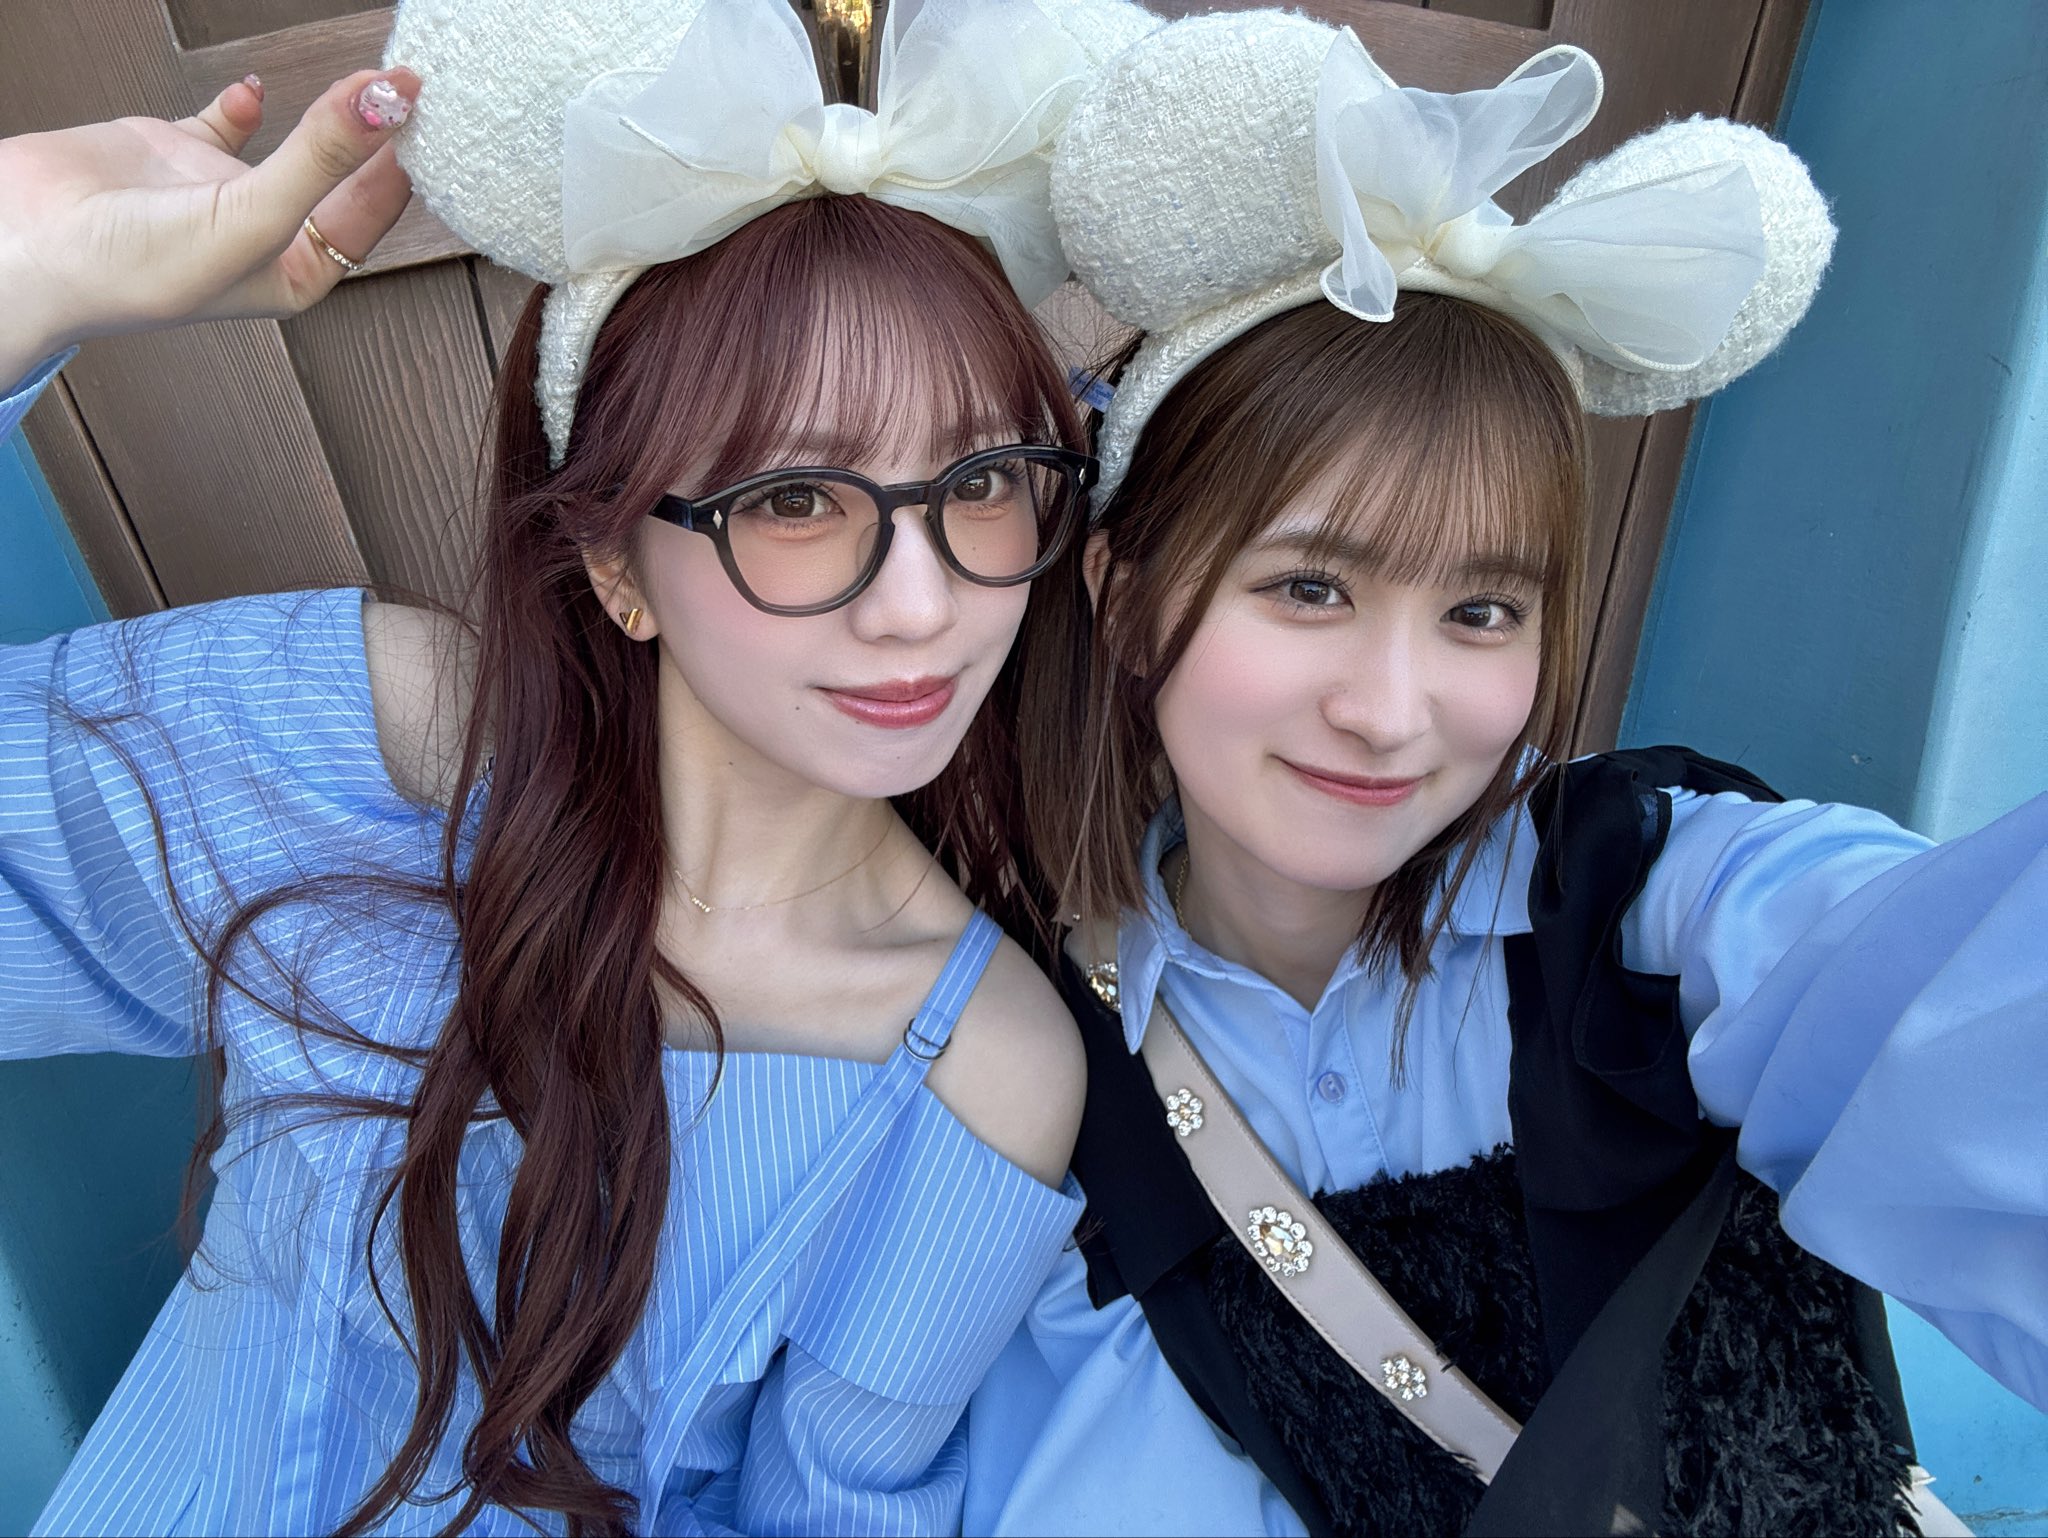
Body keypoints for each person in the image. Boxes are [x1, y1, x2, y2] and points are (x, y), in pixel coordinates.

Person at [0, 0, 1156, 1531]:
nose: (922, 603)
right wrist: (21, 272)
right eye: (794, 496)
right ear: (615, 560)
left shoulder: (979, 1065)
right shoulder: (379, 751)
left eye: (986, 478)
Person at [966, 13, 2047, 1536]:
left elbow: (1944, 1000)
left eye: (1482, 611)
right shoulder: (1034, 1071)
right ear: (1125, 595)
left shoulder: (1655, 907)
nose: (1390, 713)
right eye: (1310, 589)